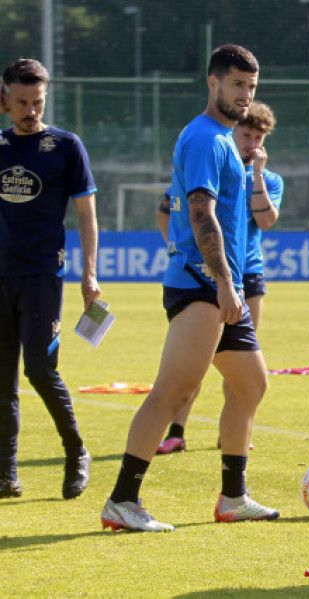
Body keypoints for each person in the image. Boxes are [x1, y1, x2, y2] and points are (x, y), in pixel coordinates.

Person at [101, 45, 280, 532]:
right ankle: (122, 500)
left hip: (223, 288)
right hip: (201, 286)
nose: (246, 95)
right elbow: (201, 214)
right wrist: (224, 284)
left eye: (252, 86)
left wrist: (232, 286)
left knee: (250, 385)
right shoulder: (205, 138)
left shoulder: (223, 138)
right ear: (213, 82)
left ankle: (233, 498)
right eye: (237, 84)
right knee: (173, 391)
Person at [155, 101, 284, 454]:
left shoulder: (268, 180)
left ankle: (235, 434)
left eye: (259, 137)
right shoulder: (214, 161)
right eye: (246, 134)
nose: (251, 143)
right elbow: (169, 208)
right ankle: (176, 431)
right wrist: (176, 247)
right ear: (234, 131)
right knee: (190, 370)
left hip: (248, 274)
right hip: (205, 277)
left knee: (245, 365)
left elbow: (267, 220)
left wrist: (256, 173)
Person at [0, 58, 98, 500]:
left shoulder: (66, 146)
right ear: (5, 99)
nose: (30, 110)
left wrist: (89, 273)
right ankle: (6, 473)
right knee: (2, 379)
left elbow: (86, 214)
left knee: (40, 370)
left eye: (37, 101)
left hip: (42, 274)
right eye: (21, 102)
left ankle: (76, 451)